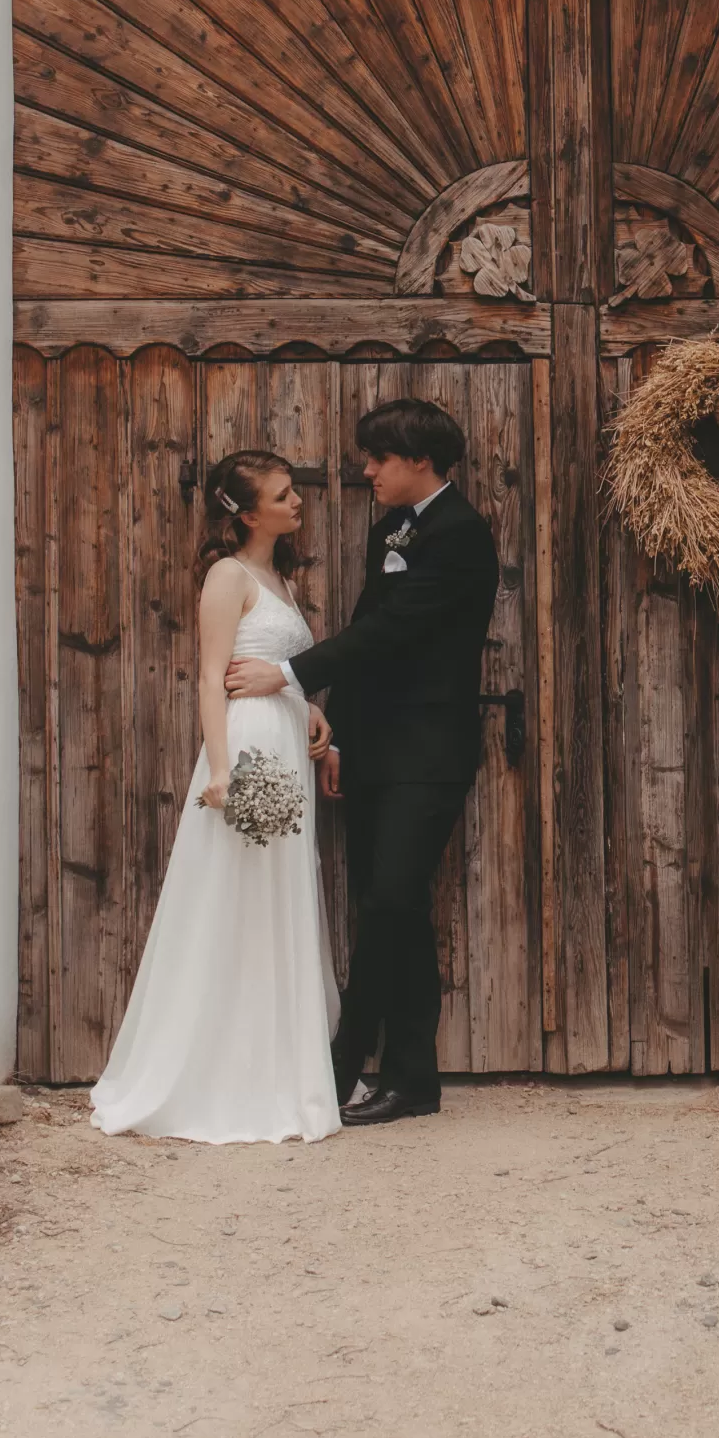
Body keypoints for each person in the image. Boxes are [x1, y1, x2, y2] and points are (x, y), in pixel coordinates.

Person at [226, 399, 499, 1127]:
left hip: (428, 751)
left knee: (389, 903)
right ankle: (411, 1081)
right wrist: (340, 736)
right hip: (375, 747)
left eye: (378, 458)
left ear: (420, 460)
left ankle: (348, 1059)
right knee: (395, 912)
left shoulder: (461, 533)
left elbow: (396, 628)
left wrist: (288, 674)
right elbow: (367, 631)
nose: (367, 470)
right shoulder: (391, 528)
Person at [91, 452, 341, 1146]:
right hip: (249, 747)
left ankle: (279, 1063)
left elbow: (275, 670)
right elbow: (211, 679)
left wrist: (309, 708)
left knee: (278, 894)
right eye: (283, 496)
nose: (297, 502)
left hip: (285, 738)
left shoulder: (280, 578)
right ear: (249, 514)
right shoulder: (227, 576)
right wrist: (223, 770)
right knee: (239, 895)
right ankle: (224, 1074)